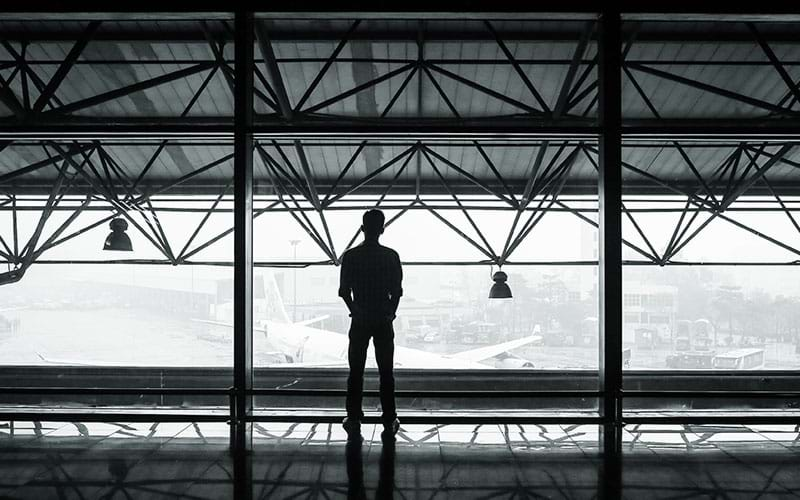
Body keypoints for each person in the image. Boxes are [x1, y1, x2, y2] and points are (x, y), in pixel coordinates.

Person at [338, 209, 403, 438]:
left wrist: (355, 310)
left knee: (356, 370)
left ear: (362, 228)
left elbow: (345, 292)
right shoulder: (390, 256)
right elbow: (396, 291)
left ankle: (354, 417)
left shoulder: (351, 256)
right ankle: (389, 417)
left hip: (360, 318)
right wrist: (390, 313)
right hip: (383, 319)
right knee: (386, 371)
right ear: (382, 229)